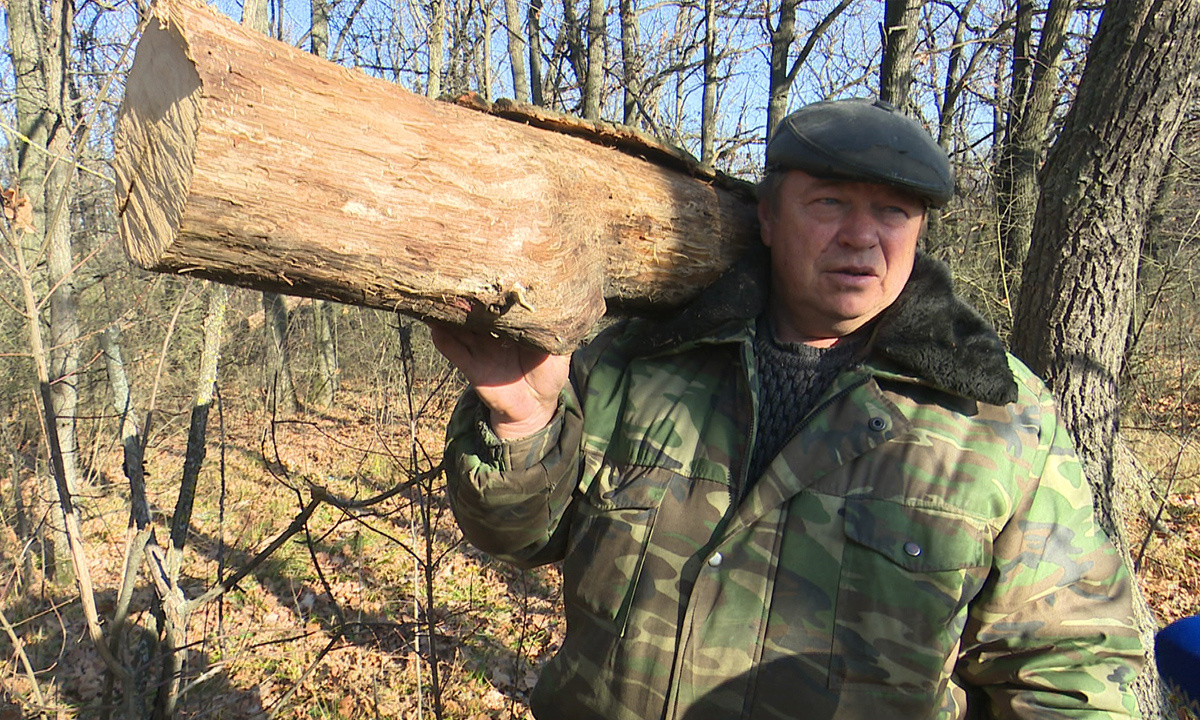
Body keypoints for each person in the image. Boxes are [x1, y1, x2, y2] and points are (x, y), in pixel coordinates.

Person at [432, 98, 1145, 720]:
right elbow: (520, 539)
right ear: (768, 217)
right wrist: (522, 426)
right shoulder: (640, 358)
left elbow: (1068, 664)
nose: (862, 236)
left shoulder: (996, 416)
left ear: (919, 230)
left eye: (893, 210)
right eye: (830, 202)